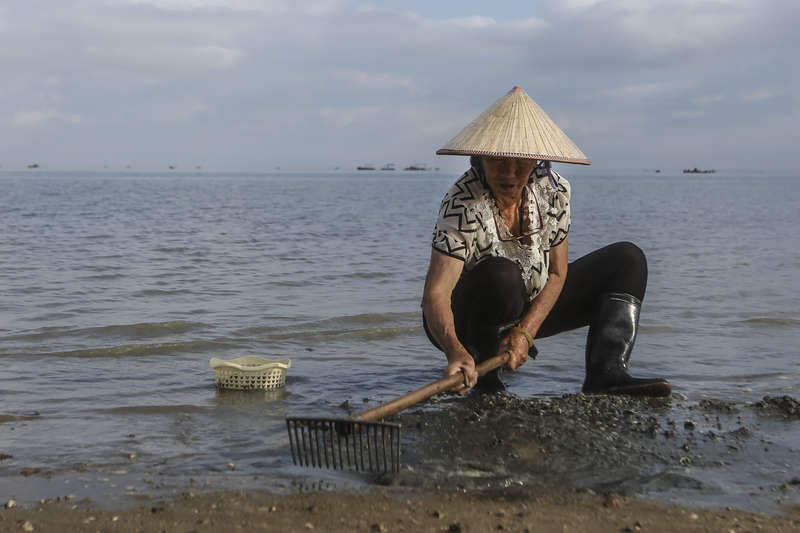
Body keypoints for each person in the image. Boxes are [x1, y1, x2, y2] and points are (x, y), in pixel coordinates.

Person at [422, 86, 670, 396]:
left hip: (525, 307)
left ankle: (606, 374)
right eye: (498, 162)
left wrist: (525, 333)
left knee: (627, 260)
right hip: (466, 317)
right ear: (480, 160)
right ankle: (485, 377)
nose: (509, 173)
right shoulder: (462, 201)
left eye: (521, 163)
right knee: (501, 273)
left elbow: (557, 274)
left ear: (537, 162)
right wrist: (454, 350)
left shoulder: (555, 192)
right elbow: (436, 292)